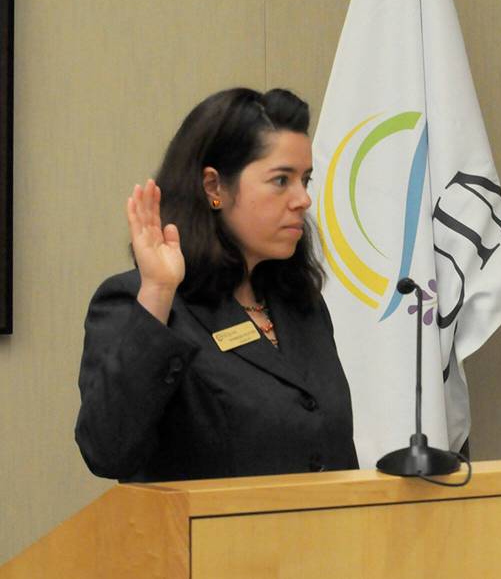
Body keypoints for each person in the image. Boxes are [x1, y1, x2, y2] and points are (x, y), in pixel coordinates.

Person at [75, 87, 359, 482]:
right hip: (202, 526)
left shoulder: (301, 305)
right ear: (214, 188)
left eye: (305, 180)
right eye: (281, 180)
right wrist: (158, 292)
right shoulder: (139, 302)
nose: (303, 200)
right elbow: (107, 452)